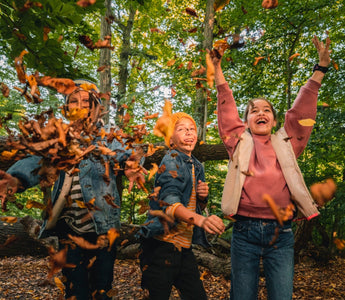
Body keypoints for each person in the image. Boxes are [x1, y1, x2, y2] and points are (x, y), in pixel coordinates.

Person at [208, 35, 331, 300]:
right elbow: (227, 108)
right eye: (254, 111)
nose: (260, 113)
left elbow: (301, 112)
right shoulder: (238, 141)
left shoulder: (287, 142)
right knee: (242, 295)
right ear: (247, 120)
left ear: (274, 119)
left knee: (281, 295)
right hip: (244, 233)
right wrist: (217, 71)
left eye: (266, 110)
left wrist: (319, 70)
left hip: (281, 232)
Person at [0, 79, 146, 300]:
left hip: (104, 229)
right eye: (74, 101)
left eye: (86, 101)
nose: (80, 105)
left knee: (102, 289)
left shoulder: (108, 136)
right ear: (67, 107)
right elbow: (36, 161)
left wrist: (132, 164)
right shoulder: (59, 138)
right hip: (69, 228)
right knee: (75, 291)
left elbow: (128, 152)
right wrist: (15, 178)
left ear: (96, 106)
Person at [139, 102, 225, 300]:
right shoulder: (171, 159)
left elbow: (193, 205)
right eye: (181, 129)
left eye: (192, 129)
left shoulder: (196, 165)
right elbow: (170, 203)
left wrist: (202, 199)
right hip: (161, 247)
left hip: (184, 248)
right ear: (171, 139)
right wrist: (202, 221)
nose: (188, 132)